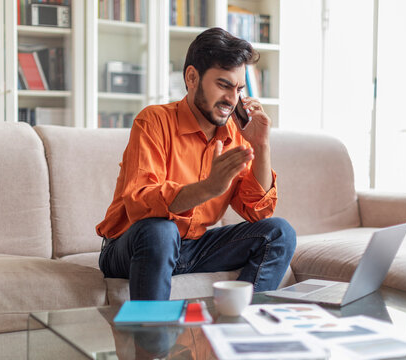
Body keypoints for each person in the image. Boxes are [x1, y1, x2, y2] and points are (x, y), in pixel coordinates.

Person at [96, 27, 296, 300]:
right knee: (161, 230)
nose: (231, 99)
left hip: (191, 247)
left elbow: (257, 213)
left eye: (238, 89)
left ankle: (242, 326)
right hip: (131, 244)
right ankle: (153, 339)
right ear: (192, 77)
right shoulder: (154, 121)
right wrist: (207, 188)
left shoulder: (236, 136)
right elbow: (139, 203)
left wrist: (261, 146)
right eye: (223, 85)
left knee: (279, 232)